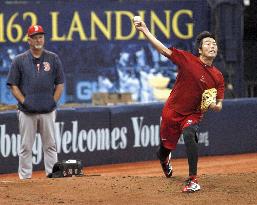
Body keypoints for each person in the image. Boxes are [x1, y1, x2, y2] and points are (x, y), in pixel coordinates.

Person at [133, 19, 224, 192]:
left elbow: (219, 104)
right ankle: (165, 158)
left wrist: (213, 104)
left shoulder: (218, 76)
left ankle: (193, 180)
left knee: (190, 134)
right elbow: (163, 50)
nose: (212, 46)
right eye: (208, 43)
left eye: (214, 44)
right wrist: (145, 30)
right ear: (199, 50)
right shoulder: (188, 60)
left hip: (193, 114)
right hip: (172, 111)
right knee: (163, 149)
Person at [6, 25, 65, 179]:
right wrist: (25, 101)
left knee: (50, 146)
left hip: (48, 110)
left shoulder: (53, 58)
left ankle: (53, 175)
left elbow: (60, 83)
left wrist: (53, 101)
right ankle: (25, 178)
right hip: (27, 112)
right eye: (35, 37)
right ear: (29, 40)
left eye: (41, 36)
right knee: (26, 147)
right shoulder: (19, 60)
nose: (38, 40)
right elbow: (13, 85)